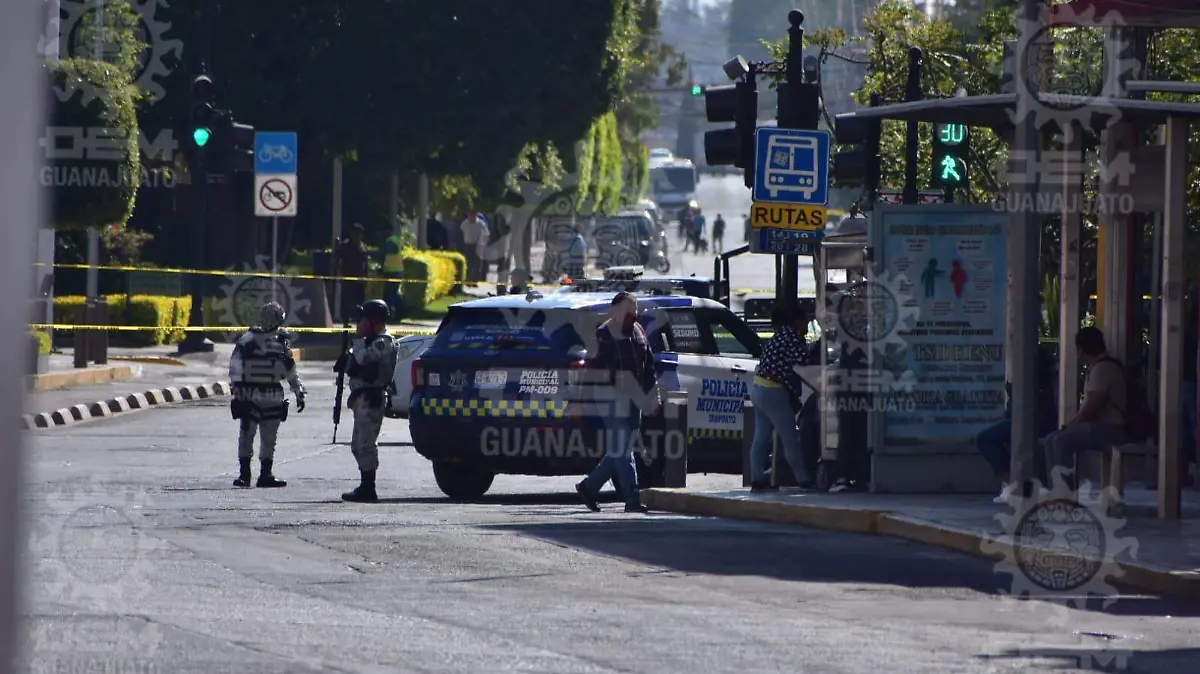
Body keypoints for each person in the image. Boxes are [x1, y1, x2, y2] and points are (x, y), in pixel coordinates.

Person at [574, 292, 665, 513]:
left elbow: (649, 366)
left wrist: (654, 396)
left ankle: (589, 486)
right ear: (614, 310)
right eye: (628, 309)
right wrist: (581, 401)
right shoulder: (603, 334)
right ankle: (632, 498)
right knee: (623, 450)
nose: (632, 314)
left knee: (621, 449)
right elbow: (590, 371)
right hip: (610, 397)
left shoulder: (638, 331)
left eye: (634, 309)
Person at [228, 302, 306, 488]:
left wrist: (298, 391)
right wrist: (237, 386)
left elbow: (289, 369)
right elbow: (236, 364)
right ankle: (245, 474)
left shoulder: (281, 341)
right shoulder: (248, 339)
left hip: (271, 392)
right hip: (251, 391)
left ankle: (265, 474)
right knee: (248, 433)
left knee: (268, 436)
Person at [1041, 327, 1129, 487]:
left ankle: (1064, 491)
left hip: (1110, 429)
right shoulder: (1101, 366)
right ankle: (1056, 488)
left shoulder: (1103, 368)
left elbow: (1091, 408)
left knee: (1061, 440)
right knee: (1050, 440)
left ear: (1082, 349)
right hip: (1103, 428)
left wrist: (1070, 426)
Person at [975, 341, 1058, 503]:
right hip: (1027, 420)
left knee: (985, 439)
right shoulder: (1038, 376)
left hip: (1037, 422)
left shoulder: (1040, 378)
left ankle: (1013, 482)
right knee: (993, 437)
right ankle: (1013, 482)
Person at [335, 300, 400, 503]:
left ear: (373, 321)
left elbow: (363, 359)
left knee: (366, 444)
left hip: (373, 397)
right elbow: (355, 365)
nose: (358, 324)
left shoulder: (383, 341)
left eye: (362, 320)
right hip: (362, 397)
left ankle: (368, 488)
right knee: (357, 445)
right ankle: (365, 483)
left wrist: (357, 343)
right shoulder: (369, 340)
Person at [748, 303, 812, 491]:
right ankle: (804, 479)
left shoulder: (778, 336)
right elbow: (803, 362)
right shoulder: (792, 338)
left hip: (759, 387)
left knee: (761, 437)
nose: (807, 325)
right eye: (806, 321)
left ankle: (757, 479)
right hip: (774, 391)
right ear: (797, 321)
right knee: (790, 437)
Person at [335, 223, 369, 320]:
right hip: (348, 277)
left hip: (360, 279)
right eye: (355, 233)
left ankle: (359, 322)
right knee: (347, 301)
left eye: (359, 234)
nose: (357, 236)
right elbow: (338, 260)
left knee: (360, 302)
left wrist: (365, 277)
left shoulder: (363, 246)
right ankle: (346, 321)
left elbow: (365, 263)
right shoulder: (344, 246)